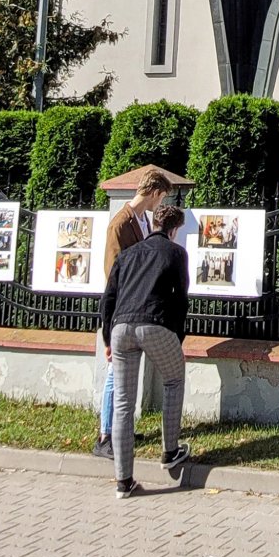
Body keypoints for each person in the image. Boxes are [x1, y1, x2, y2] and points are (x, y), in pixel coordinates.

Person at [101, 205, 192, 498]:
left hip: (120, 328)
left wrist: (106, 338)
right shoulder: (176, 253)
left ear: (153, 223)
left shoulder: (127, 254)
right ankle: (170, 451)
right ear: (174, 229)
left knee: (124, 403)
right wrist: (177, 335)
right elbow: (181, 298)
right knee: (174, 379)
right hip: (155, 324)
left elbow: (109, 297)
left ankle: (123, 482)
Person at [93, 168, 172, 458]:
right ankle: (104, 436)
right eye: (161, 198)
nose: (160, 205)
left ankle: (121, 429)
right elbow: (112, 274)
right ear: (152, 193)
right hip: (123, 309)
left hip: (138, 307)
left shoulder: (143, 220)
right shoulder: (120, 224)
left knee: (126, 375)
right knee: (115, 374)